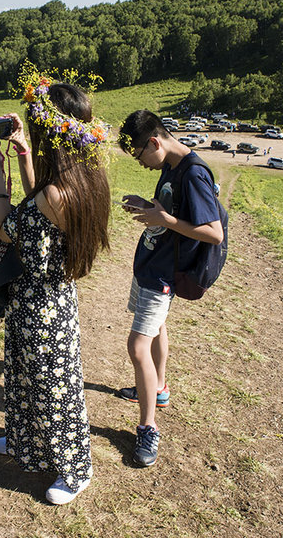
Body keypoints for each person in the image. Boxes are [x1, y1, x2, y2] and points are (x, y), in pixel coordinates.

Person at [0, 66, 110, 504]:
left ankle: (76, 470)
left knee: (55, 387)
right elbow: (42, 207)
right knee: (23, 376)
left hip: (42, 304)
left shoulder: (57, 192)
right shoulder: (81, 179)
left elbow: (7, 227)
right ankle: (25, 445)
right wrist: (22, 159)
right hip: (48, 297)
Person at [117, 110, 224, 467]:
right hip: (152, 264)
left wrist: (163, 219)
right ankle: (157, 388)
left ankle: (148, 428)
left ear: (154, 142)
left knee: (137, 346)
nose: (143, 164)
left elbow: (213, 232)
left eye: (140, 155)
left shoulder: (193, 174)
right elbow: (172, 212)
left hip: (163, 274)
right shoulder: (171, 166)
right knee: (157, 327)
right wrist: (149, 207)